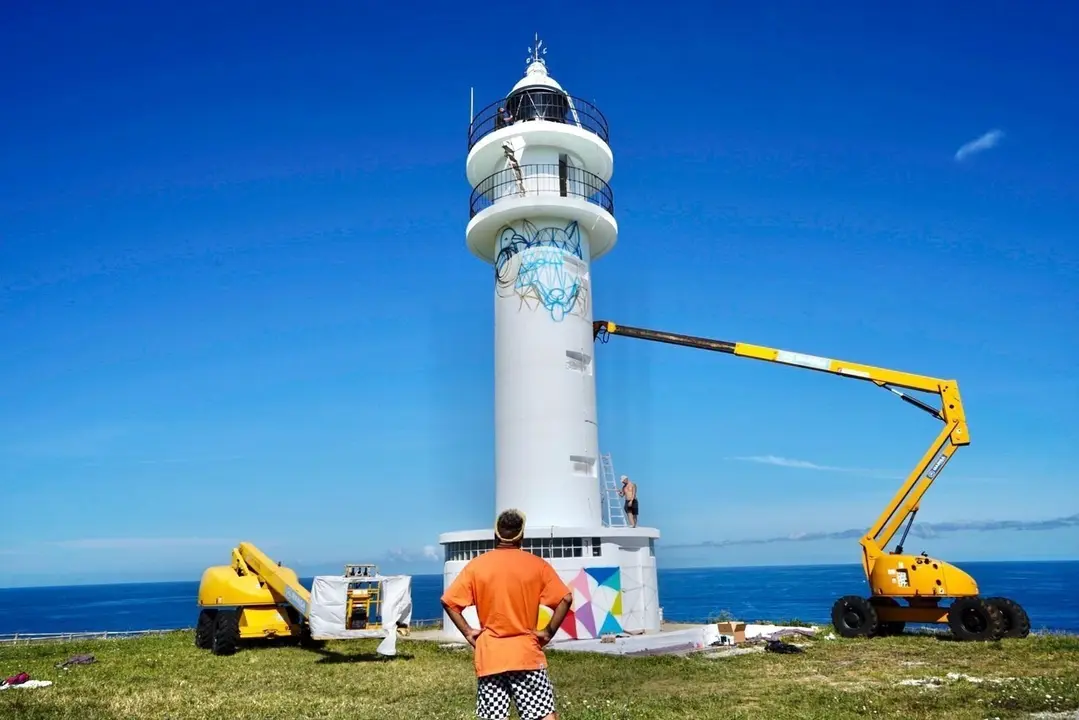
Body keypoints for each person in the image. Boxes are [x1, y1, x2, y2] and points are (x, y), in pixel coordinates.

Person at [441, 509, 573, 720]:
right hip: (525, 653)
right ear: (521, 535)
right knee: (544, 715)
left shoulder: (477, 566)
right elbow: (565, 599)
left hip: (490, 654)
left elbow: (449, 602)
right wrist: (547, 632)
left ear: (495, 534)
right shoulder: (537, 565)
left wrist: (468, 632)